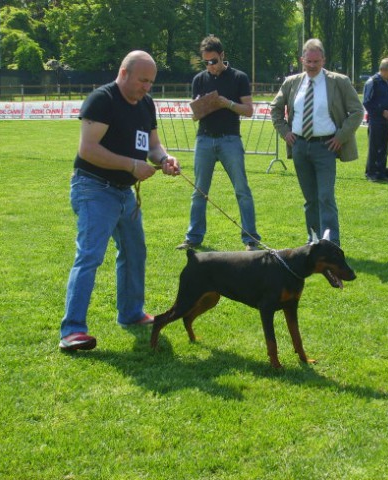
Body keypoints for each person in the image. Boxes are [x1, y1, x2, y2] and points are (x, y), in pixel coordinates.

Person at [59, 50, 180, 351]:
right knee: (90, 256)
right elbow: (88, 149)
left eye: (151, 82)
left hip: (124, 193)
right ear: (124, 73)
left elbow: (152, 145)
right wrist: (130, 165)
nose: (147, 87)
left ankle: (131, 313)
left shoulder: (146, 103)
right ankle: (72, 331)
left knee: (134, 252)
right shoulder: (103, 100)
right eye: (142, 80)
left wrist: (164, 159)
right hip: (94, 188)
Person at [270, 38, 363, 246]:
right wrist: (285, 132)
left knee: (325, 198)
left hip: (326, 147)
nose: (312, 66)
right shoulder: (292, 82)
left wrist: (341, 136)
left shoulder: (339, 81)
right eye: (308, 61)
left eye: (316, 61)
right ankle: (313, 241)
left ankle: (331, 244)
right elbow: (275, 109)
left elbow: (357, 111)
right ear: (302, 59)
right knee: (310, 200)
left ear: (324, 60)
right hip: (300, 147)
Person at [177, 35, 261, 251]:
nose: (210, 66)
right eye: (206, 62)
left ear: (222, 56)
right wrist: (198, 109)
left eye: (213, 61)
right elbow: (195, 115)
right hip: (204, 139)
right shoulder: (199, 79)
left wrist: (227, 103)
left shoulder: (239, 77)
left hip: (230, 140)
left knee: (242, 190)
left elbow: (249, 110)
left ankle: (251, 239)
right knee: (199, 191)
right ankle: (193, 238)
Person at [363, 58, 388, 181]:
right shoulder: (373, 82)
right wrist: (381, 112)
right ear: (383, 69)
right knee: (375, 147)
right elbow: (367, 102)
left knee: (386, 147)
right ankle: (371, 173)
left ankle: (381, 172)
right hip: (377, 121)